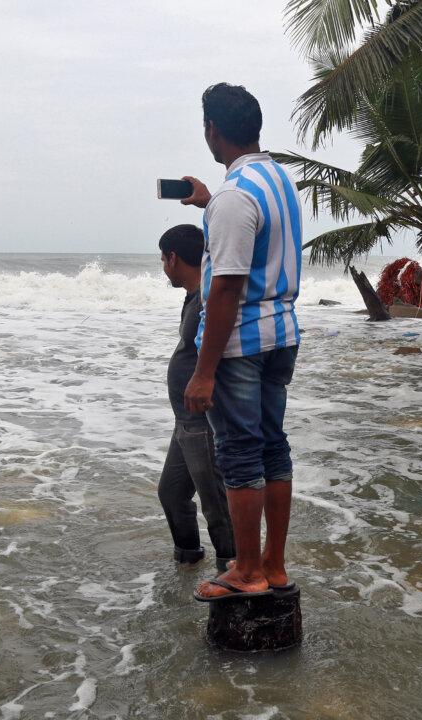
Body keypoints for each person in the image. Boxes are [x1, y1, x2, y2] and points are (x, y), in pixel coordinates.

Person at [180, 83, 302, 601]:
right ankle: (272, 564)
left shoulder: (235, 196)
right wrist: (209, 202)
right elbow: (257, 239)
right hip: (282, 336)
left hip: (242, 345)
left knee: (239, 454)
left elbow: (227, 286)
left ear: (213, 130)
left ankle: (246, 570)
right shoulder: (275, 179)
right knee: (273, 447)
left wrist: (203, 371)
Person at [157, 224, 236, 573]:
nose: (163, 266)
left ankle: (232, 568)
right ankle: (188, 559)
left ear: (173, 258)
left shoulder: (207, 295)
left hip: (201, 417)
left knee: (215, 501)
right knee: (172, 493)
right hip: (184, 420)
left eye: (163, 258)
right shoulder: (196, 295)